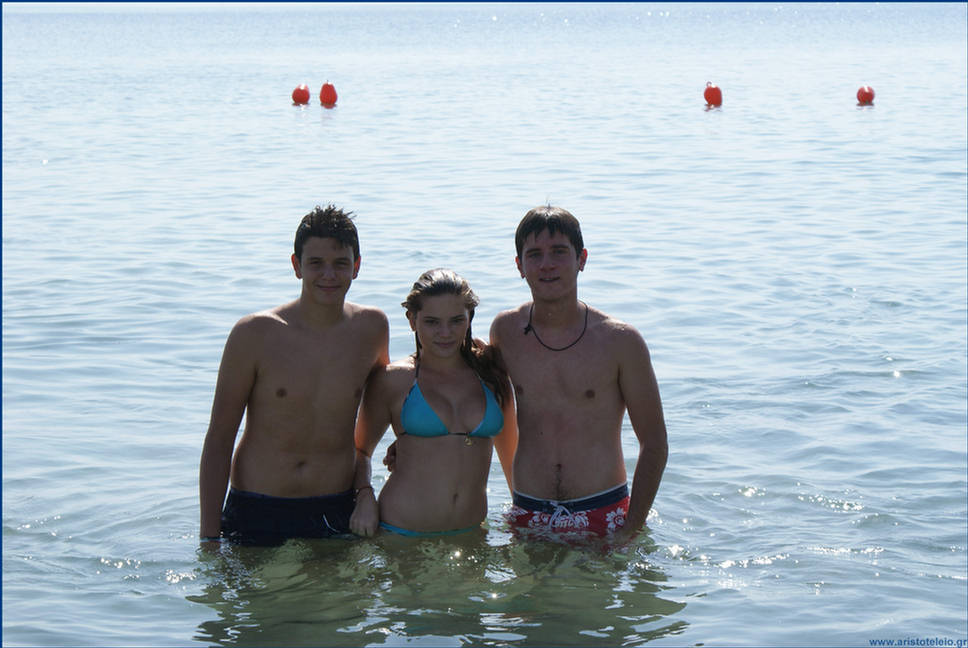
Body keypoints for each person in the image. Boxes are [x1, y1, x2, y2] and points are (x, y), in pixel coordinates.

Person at [199, 204, 389, 546]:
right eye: (316, 263)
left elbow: (385, 409)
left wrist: (368, 489)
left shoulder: (372, 328)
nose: (328, 275)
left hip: (335, 505)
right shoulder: (255, 334)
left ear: (357, 266)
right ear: (296, 266)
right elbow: (219, 438)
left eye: (340, 263)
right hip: (259, 504)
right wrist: (209, 539)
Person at [489, 205, 667, 543]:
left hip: (604, 512)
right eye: (534, 255)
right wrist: (410, 444)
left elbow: (655, 442)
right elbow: (477, 404)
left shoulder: (620, 341)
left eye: (559, 252)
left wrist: (631, 528)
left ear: (581, 259)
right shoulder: (505, 331)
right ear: (519, 266)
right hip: (527, 512)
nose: (547, 264)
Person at [351, 268, 517, 537]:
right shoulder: (393, 380)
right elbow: (360, 451)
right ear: (412, 320)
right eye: (432, 322)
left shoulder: (490, 374)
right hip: (401, 533)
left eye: (456, 320)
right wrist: (364, 497)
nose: (445, 332)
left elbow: (511, 458)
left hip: (472, 535)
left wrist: (520, 515)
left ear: (470, 318)